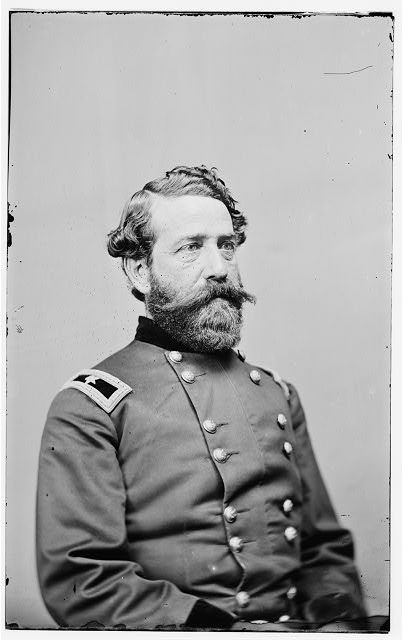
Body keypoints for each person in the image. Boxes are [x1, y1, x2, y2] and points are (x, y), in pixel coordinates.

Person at [36, 165, 373, 631]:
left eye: (226, 245)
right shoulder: (92, 407)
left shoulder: (277, 394)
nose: (219, 268)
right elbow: (83, 579)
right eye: (191, 247)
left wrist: (337, 625)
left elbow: (324, 552)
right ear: (140, 271)